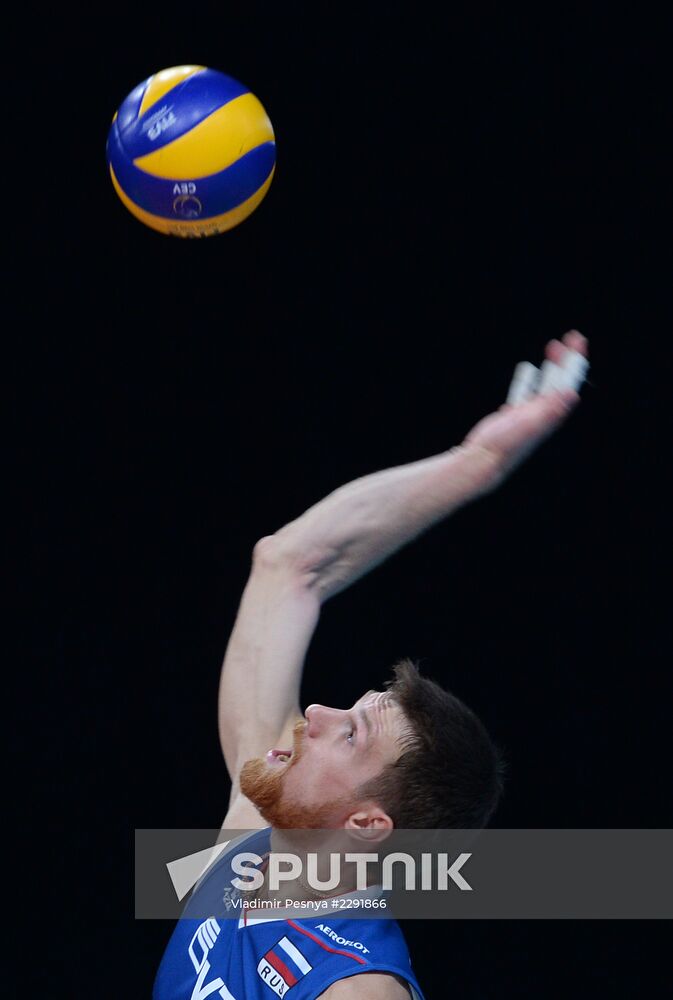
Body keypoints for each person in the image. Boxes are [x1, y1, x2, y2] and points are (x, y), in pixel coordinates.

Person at [153, 331, 589, 999]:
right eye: (349, 710)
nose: (317, 715)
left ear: (364, 823)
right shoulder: (253, 833)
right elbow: (290, 565)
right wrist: (475, 463)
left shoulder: (354, 988)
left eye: (350, 734)